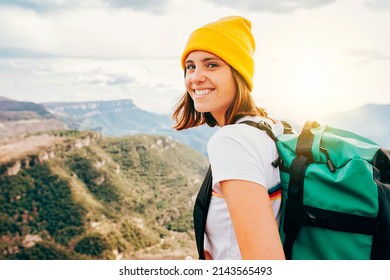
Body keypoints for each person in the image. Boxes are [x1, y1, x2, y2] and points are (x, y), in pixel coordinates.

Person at [173, 16, 285, 260]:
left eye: (211, 65)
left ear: (239, 74)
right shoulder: (271, 128)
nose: (195, 77)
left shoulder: (232, 141)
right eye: (190, 66)